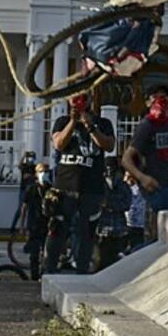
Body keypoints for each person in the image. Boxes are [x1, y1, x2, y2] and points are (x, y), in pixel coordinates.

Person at [45, 93, 115, 274]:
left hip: (91, 189)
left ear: (91, 100)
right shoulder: (62, 121)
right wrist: (73, 122)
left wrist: (90, 126)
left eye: (82, 98)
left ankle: (82, 273)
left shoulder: (104, 123)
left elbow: (108, 145)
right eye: (74, 98)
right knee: (57, 231)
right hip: (64, 188)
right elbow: (59, 144)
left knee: (87, 235)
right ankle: (49, 271)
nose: (77, 102)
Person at [121, 87, 168, 223]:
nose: (160, 100)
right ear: (147, 103)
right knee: (152, 233)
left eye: (163, 96)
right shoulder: (147, 125)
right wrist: (143, 178)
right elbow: (126, 159)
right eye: (155, 97)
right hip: (150, 188)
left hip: (167, 184)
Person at [95, 163, 134, 271]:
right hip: (103, 229)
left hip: (119, 229)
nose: (110, 173)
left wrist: (110, 204)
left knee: (116, 264)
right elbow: (95, 203)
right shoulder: (99, 185)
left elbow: (127, 204)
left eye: (112, 170)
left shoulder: (123, 186)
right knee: (102, 262)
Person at [18, 161, 51, 280]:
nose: (44, 174)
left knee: (46, 254)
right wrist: (22, 226)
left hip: (47, 225)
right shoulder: (31, 189)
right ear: (36, 174)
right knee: (34, 254)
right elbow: (24, 208)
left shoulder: (51, 189)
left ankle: (44, 275)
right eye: (41, 172)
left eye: (46, 172)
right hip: (33, 226)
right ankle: (34, 276)